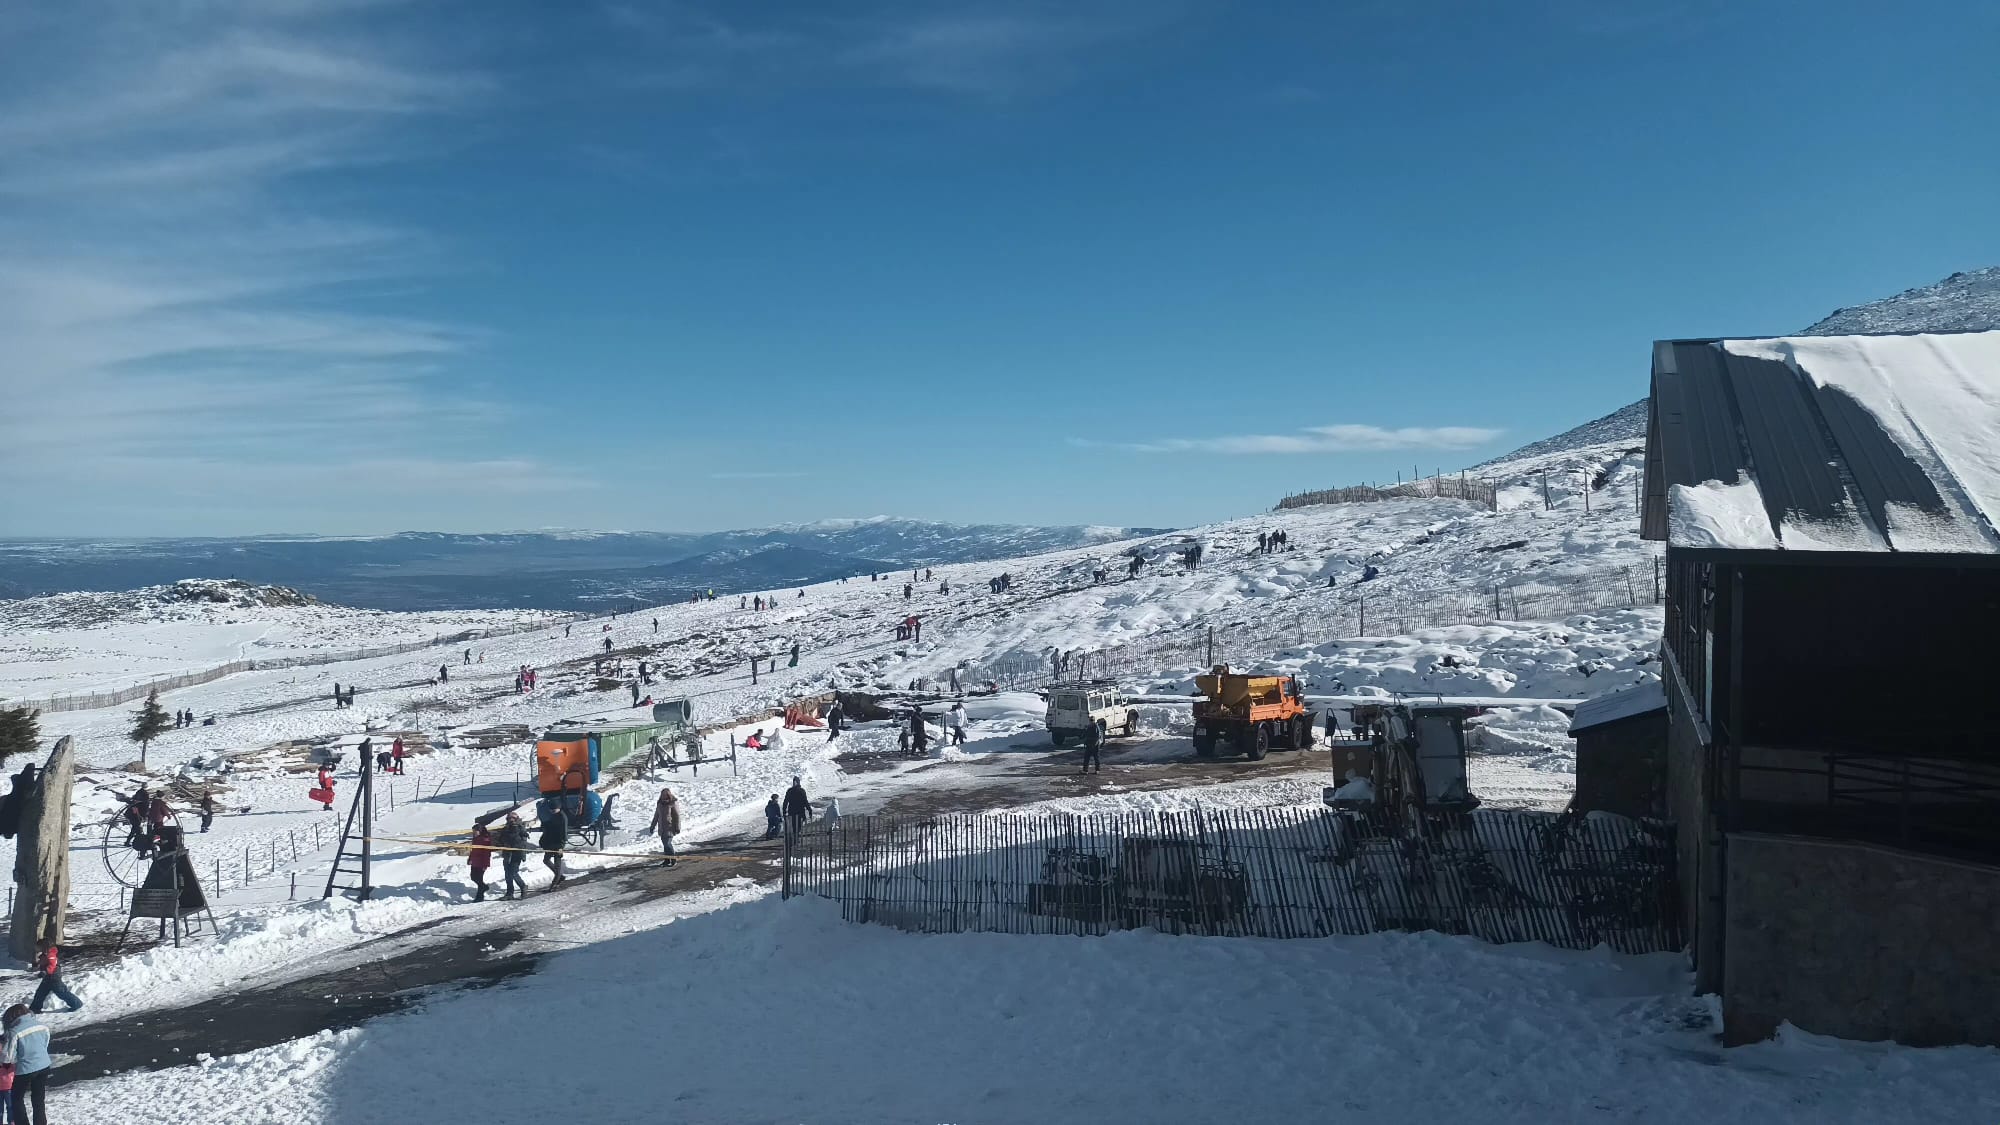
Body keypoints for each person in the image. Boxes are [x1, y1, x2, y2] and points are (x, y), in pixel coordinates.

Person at [2, 1005, 51, 1125]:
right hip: (44, 1065)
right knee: (38, 1099)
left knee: (16, 1099)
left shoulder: (14, 1032)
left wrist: (8, 1063)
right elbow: (45, 1044)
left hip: (25, 1069)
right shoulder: (42, 1026)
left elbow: (7, 1057)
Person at [27, 943, 79, 1015]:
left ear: (44, 947)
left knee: (62, 992)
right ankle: (34, 1009)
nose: (37, 949)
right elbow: (43, 962)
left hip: (54, 977)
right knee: (40, 993)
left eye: (38, 947)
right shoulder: (45, 954)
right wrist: (37, 965)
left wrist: (44, 972)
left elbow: (52, 965)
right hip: (48, 977)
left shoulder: (51, 954)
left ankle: (76, 1004)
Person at [495, 814, 530, 899]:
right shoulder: (505, 829)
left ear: (516, 819)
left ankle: (523, 886)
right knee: (507, 873)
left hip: (517, 854)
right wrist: (503, 842)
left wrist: (522, 854)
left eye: (513, 818)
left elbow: (523, 842)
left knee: (513, 872)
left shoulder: (520, 828)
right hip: (507, 853)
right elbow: (500, 839)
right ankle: (509, 893)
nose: (511, 820)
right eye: (509, 818)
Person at [644, 788, 681, 868]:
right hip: (662, 828)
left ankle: (673, 859)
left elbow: (677, 816)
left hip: (670, 827)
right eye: (662, 795)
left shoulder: (672, 803)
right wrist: (652, 826)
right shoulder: (660, 804)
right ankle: (667, 860)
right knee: (665, 844)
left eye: (665, 795)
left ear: (668, 795)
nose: (664, 796)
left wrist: (677, 827)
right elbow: (656, 816)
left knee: (668, 843)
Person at [539, 805, 568, 889]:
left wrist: (561, 847)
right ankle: (560, 877)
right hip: (550, 843)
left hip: (558, 844)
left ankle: (554, 884)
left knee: (557, 865)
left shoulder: (563, 818)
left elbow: (564, 833)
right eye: (551, 810)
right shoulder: (553, 816)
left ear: (558, 808)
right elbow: (549, 826)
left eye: (554, 810)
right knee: (546, 860)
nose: (552, 811)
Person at [467, 823, 494, 902]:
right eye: (473, 831)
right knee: (473, 877)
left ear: (480, 831)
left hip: (481, 862)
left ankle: (479, 897)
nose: (474, 832)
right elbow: (473, 850)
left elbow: (487, 853)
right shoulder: (475, 838)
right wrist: (470, 859)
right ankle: (484, 887)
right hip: (475, 861)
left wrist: (485, 864)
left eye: (475, 831)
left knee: (479, 879)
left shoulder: (485, 839)